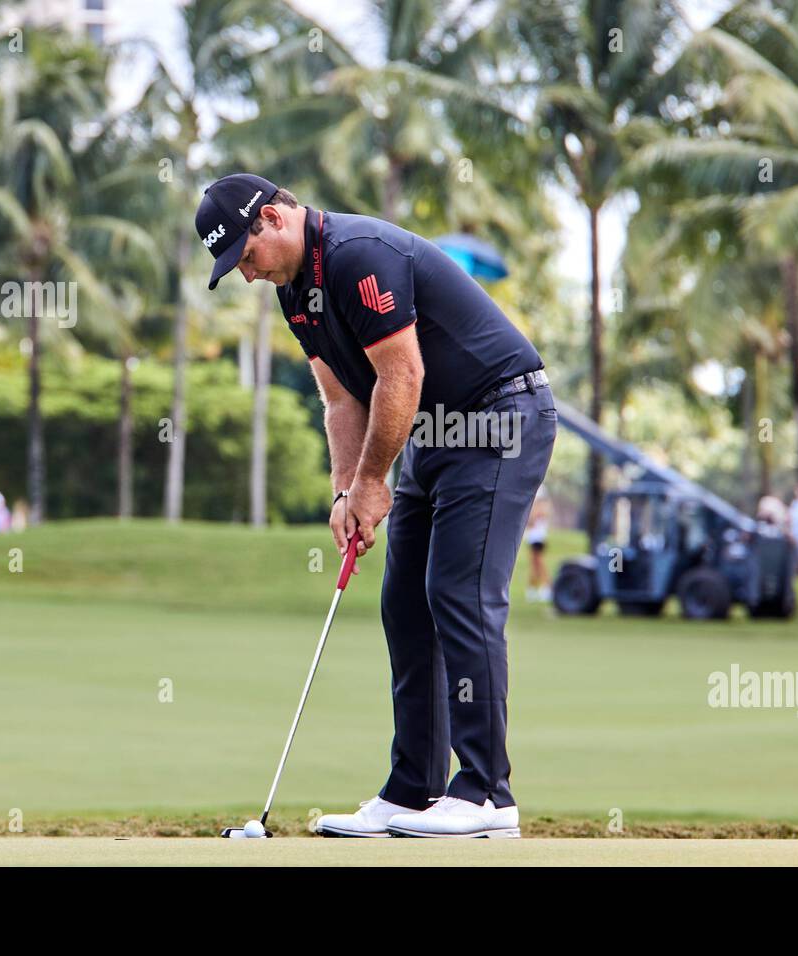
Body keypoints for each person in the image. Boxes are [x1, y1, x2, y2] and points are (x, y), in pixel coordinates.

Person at [196, 174, 556, 838]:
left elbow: (402, 374)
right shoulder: (294, 294)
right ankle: (414, 790)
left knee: (460, 592)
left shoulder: (360, 254)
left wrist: (372, 482)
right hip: (431, 429)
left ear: (272, 219)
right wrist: (346, 489)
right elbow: (342, 401)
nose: (247, 276)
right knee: (404, 603)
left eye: (246, 258)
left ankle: (485, 794)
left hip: (498, 415)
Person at [524, 484, 552, 602]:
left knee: (539, 561)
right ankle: (533, 588)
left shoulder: (541, 491)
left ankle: (548, 587)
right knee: (534, 562)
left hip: (538, 535)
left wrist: (531, 518)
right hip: (533, 535)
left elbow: (539, 512)